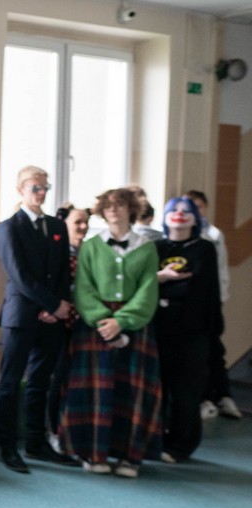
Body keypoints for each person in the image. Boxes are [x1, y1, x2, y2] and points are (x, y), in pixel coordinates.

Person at [59, 187, 162, 478]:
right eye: (108, 206)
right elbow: (83, 289)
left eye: (119, 204)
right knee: (94, 392)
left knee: (133, 391)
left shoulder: (147, 247)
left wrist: (122, 321)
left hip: (135, 325)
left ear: (132, 209)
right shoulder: (91, 246)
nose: (113, 210)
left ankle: (130, 458)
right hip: (95, 326)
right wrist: (103, 320)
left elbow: (148, 291)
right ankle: (94, 454)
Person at [0, 165, 74, 473]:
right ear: (21, 191)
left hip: (51, 316)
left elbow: (64, 271)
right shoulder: (9, 227)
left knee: (41, 382)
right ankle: (7, 447)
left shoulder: (56, 225)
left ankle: (36, 443)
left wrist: (56, 308)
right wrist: (52, 304)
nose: (41, 193)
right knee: (11, 383)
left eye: (44, 188)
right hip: (21, 316)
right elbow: (20, 276)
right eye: (35, 188)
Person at [154, 197, 222, 461]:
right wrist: (162, 279)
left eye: (185, 211)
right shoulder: (157, 247)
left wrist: (164, 288)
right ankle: (157, 440)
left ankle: (181, 445)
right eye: (174, 210)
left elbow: (199, 287)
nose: (179, 214)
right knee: (159, 389)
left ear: (195, 218)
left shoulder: (204, 248)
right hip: (159, 329)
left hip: (192, 332)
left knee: (186, 391)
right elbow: (144, 283)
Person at [186, 189, 242, 420]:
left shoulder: (214, 235)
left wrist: (219, 299)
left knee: (214, 351)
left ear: (206, 208)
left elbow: (221, 270)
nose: (195, 211)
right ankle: (206, 398)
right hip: (189, 304)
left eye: (199, 207)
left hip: (210, 303)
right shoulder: (179, 234)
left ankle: (221, 395)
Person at [44, 202, 91, 448]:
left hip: (86, 324)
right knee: (58, 378)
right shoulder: (57, 252)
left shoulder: (90, 252)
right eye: (77, 222)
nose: (83, 227)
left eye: (86, 222)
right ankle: (54, 429)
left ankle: (78, 430)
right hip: (61, 324)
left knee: (82, 379)